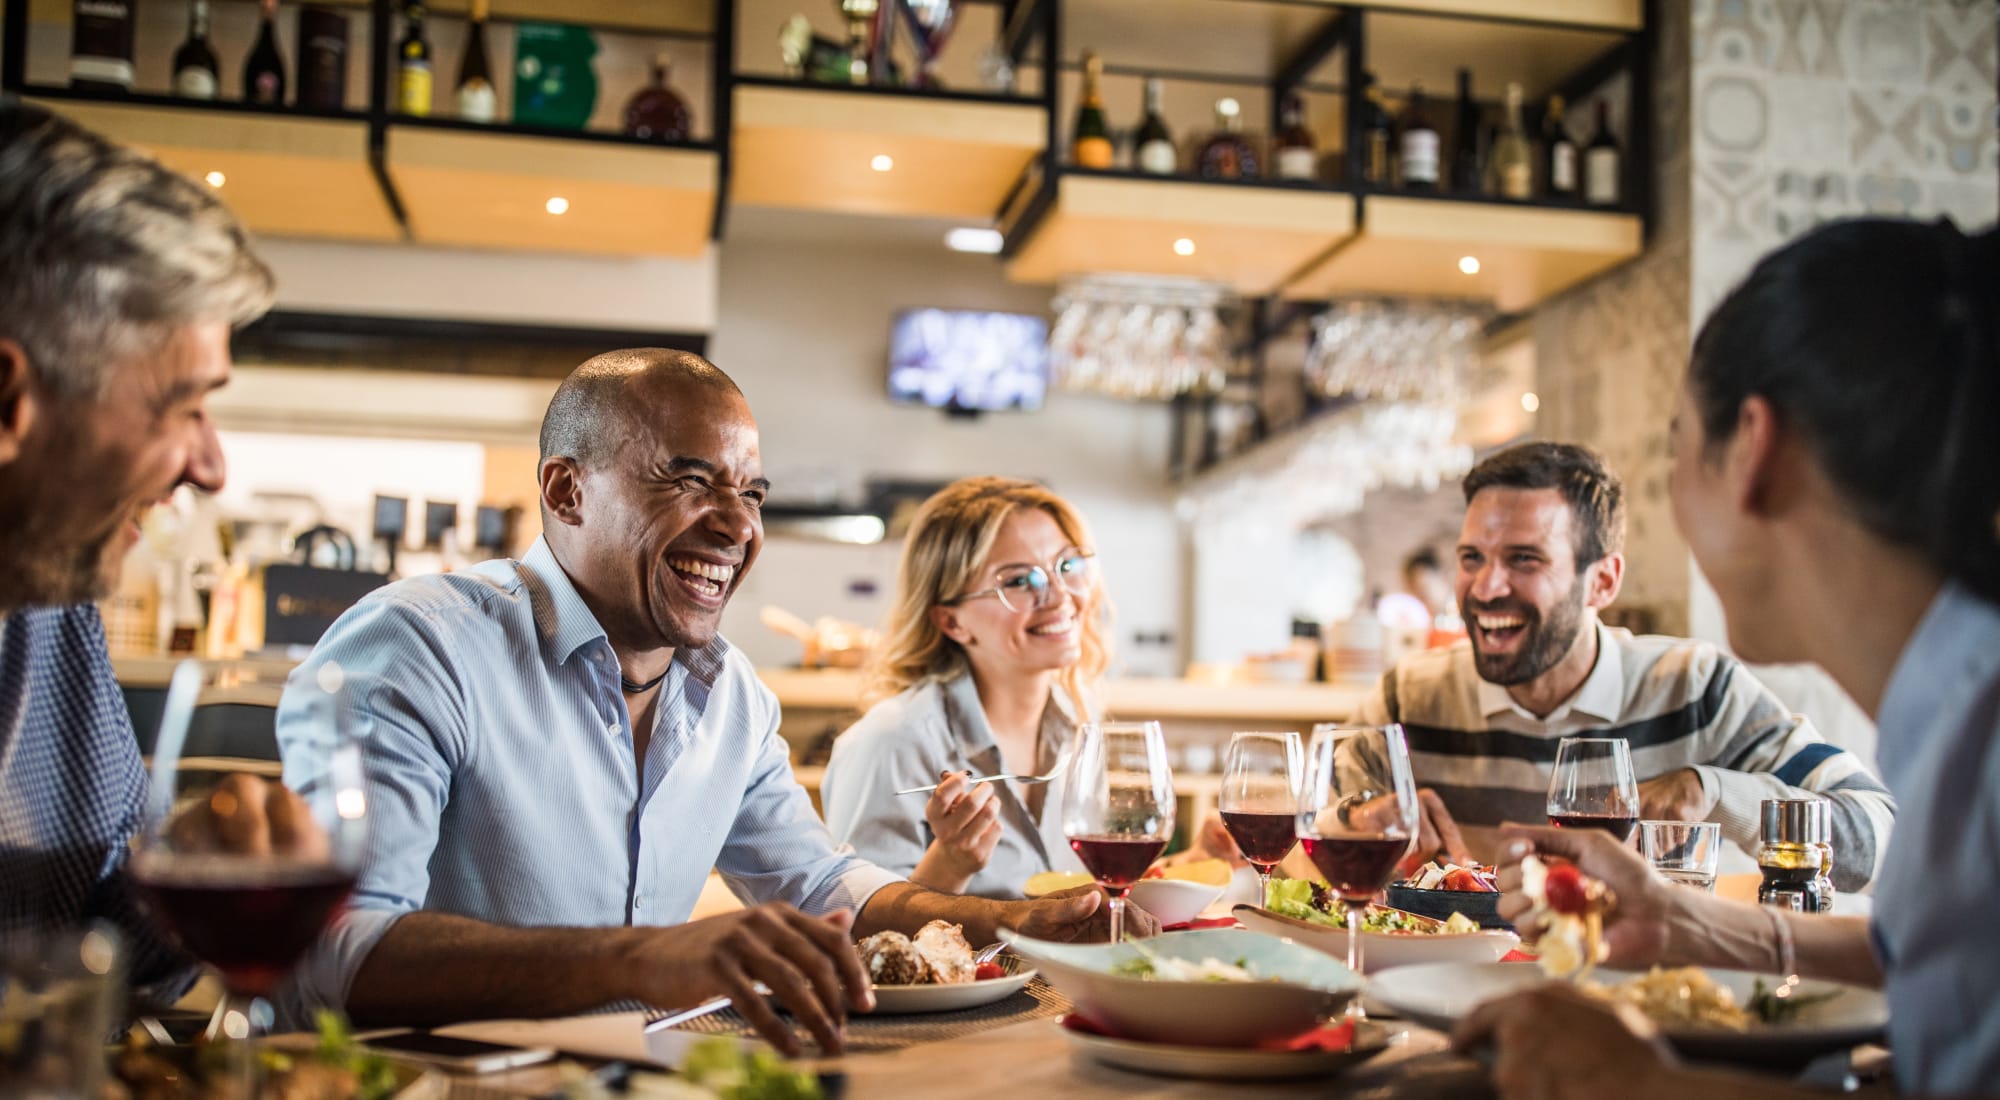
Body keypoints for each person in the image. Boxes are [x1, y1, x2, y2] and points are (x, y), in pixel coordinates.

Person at [276, 351, 1128, 1055]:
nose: (736, 525)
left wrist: (1020, 921)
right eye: (690, 479)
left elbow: (822, 882)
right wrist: (647, 960)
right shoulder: (420, 643)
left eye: (750, 492)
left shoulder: (732, 698)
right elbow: (337, 951)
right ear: (567, 492)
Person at [1457, 218, 1999, 1098]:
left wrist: (1645, 1086)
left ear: (1752, 448)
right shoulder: (1953, 701)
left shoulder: (1983, 743)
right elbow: (1943, 962)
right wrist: (1685, 921)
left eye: (1676, 450)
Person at [0, 100, 284, 1001]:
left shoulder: (53, 606)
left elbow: (100, 953)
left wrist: (189, 882)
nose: (210, 465)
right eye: (183, 406)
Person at [1349, 442, 1895, 889]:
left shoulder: (1697, 690)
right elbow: (1314, 822)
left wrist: (1716, 793)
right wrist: (1360, 820)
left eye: (1524, 559)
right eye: (1473, 558)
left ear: (1604, 581)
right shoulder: (1410, 696)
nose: (1487, 587)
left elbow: (1880, 836)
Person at [820, 477, 1108, 898]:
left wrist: (1185, 867)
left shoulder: (1081, 726)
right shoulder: (892, 743)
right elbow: (860, 937)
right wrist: (949, 866)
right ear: (952, 621)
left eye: (1067, 566)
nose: (1061, 595)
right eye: (1018, 581)